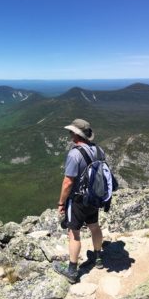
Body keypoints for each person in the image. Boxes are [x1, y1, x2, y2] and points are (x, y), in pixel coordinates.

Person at [52, 118, 106, 283]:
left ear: (76, 134)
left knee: (73, 233)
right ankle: (98, 259)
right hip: (94, 197)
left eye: (71, 132)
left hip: (78, 200)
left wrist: (61, 203)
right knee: (94, 227)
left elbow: (68, 182)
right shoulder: (98, 150)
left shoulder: (75, 154)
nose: (70, 134)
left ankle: (72, 271)